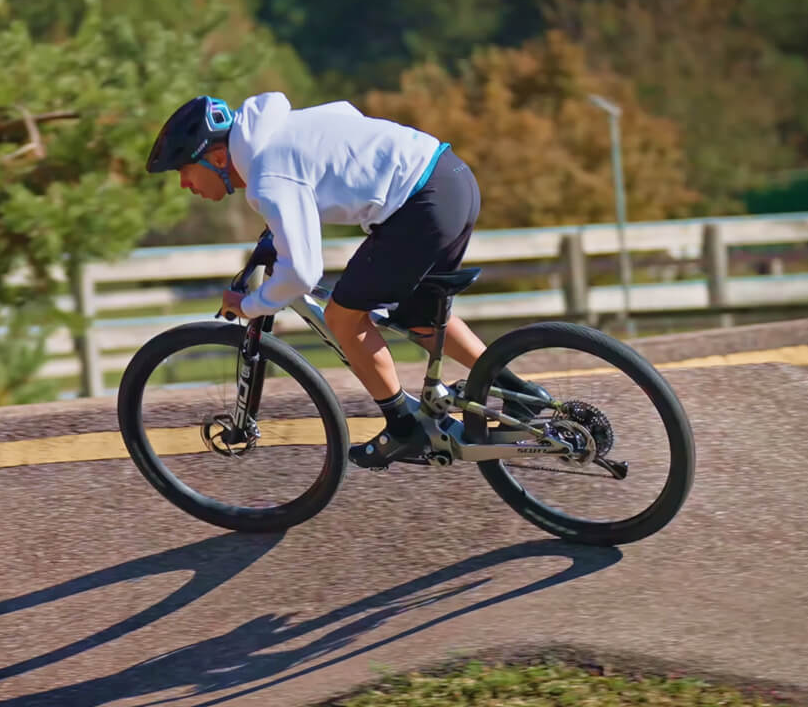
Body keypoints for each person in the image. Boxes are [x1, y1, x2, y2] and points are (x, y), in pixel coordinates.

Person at [145, 92, 548, 469]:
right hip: (452, 178)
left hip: (420, 205)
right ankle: (521, 394)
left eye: (184, 171)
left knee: (343, 317)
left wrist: (249, 305)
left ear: (217, 156)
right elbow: (344, 118)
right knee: (419, 316)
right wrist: (280, 228)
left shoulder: (267, 176)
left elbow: (302, 274)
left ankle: (404, 429)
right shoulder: (284, 127)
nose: (184, 184)